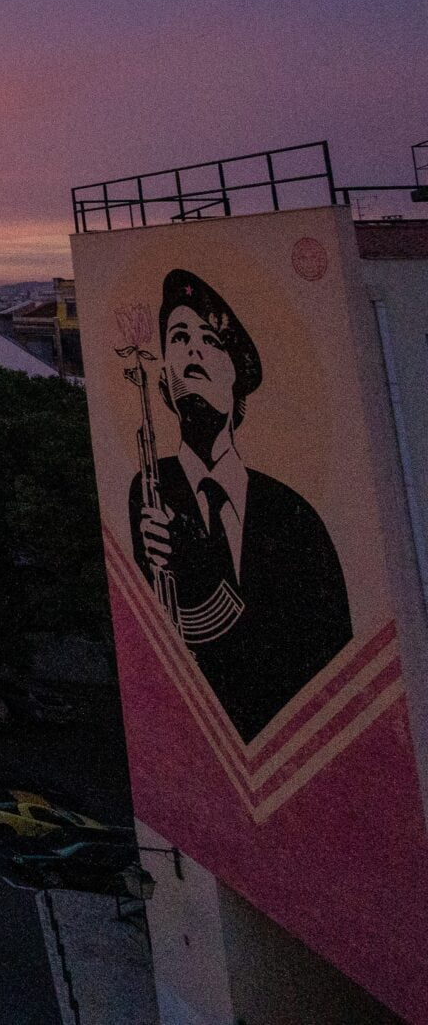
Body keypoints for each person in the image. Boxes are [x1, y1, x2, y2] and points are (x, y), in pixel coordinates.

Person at [128, 269, 351, 742]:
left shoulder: (292, 516)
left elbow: (322, 667)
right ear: (164, 376)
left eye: (210, 339)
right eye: (179, 337)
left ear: (237, 376)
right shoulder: (147, 488)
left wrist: (203, 571)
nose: (192, 349)